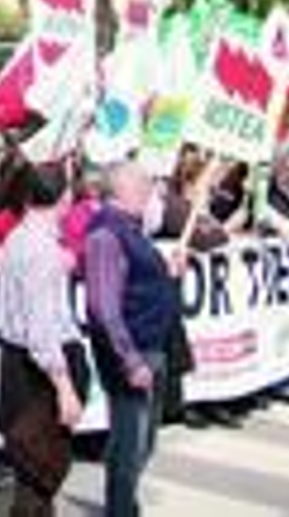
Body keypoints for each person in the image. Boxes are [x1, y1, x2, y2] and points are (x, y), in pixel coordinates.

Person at [85, 161, 184, 517]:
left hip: (152, 346)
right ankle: (121, 508)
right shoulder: (105, 235)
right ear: (120, 189)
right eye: (142, 183)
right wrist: (130, 360)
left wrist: (171, 274)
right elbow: (103, 306)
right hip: (132, 353)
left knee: (144, 442)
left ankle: (125, 501)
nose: (149, 190)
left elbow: (140, 283)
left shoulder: (131, 228)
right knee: (131, 442)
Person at [0, 159, 85, 517]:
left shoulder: (21, 237)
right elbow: (41, 329)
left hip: (20, 361)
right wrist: (64, 387)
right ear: (63, 199)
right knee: (41, 470)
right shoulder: (40, 248)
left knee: (32, 472)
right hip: (38, 371)